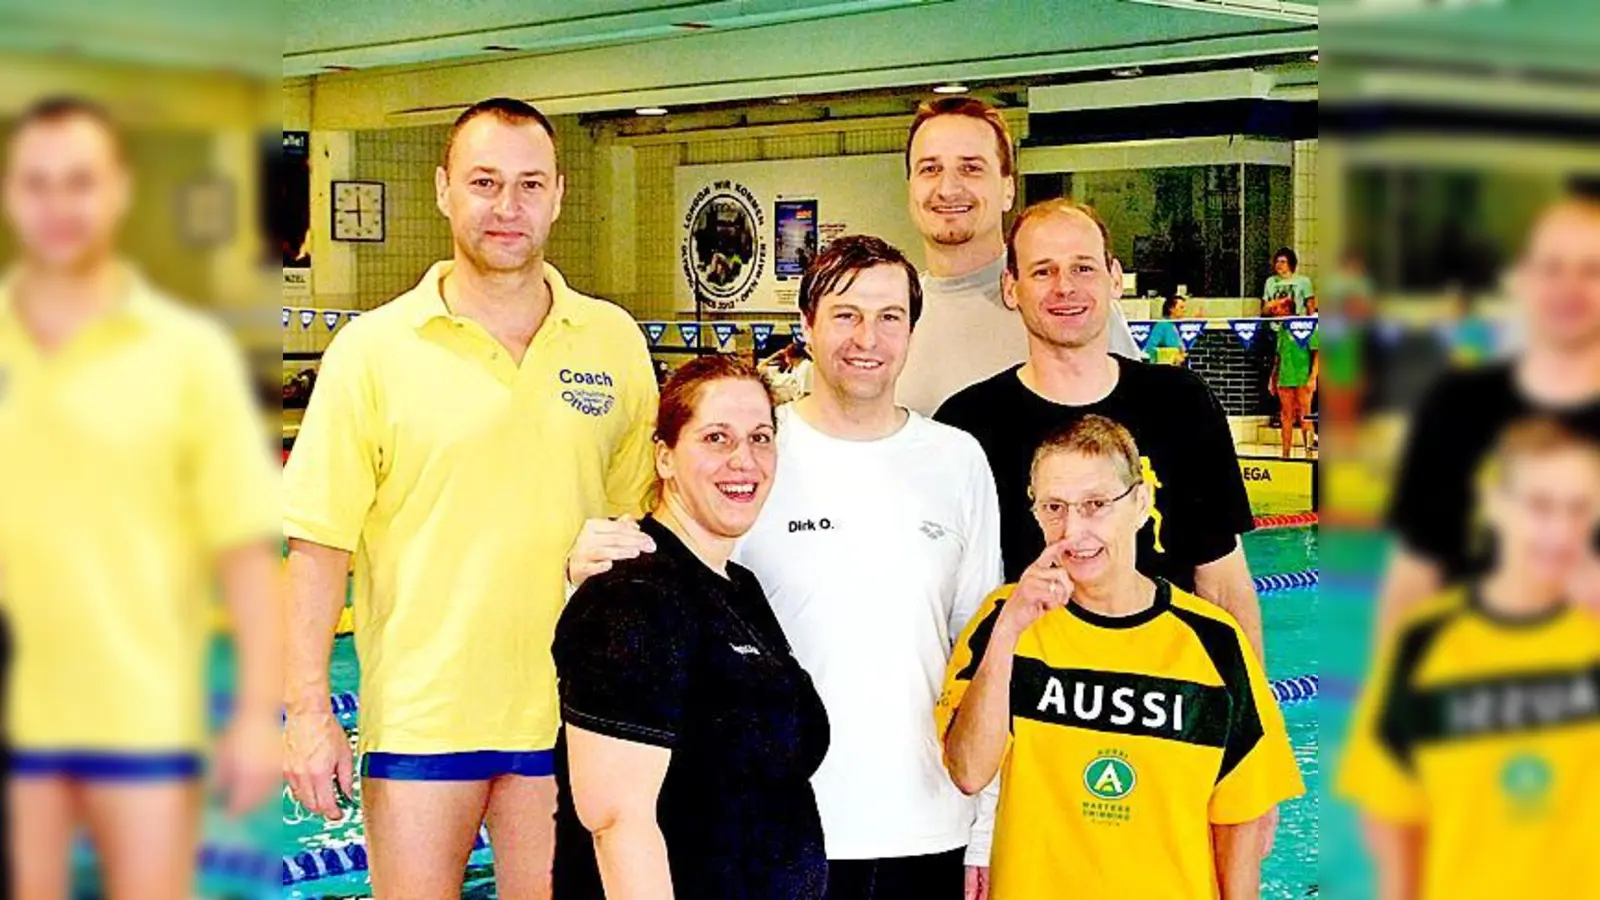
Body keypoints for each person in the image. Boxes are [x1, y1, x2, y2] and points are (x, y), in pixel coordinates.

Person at [282, 98, 658, 898]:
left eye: (529, 184)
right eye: (485, 182)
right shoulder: (373, 352)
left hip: (571, 715)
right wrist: (310, 714)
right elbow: (317, 545)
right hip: (425, 715)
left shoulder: (614, 342)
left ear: (559, 194)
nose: (507, 207)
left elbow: (642, 538)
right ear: (444, 189)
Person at [568, 235, 1005, 900]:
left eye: (890, 316)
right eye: (845, 313)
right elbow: (658, 588)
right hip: (769, 835)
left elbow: (980, 656)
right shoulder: (753, 456)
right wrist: (581, 568)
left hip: (927, 824)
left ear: (913, 329)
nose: (868, 337)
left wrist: (983, 829)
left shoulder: (957, 461)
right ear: (805, 325)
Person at [0, 97, 281, 899]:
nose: (59, 205)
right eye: (37, 183)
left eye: (80, 182)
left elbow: (245, 549)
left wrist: (259, 716)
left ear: (119, 191)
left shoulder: (185, 355)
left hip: (142, 704)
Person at [937, 415, 1302, 899]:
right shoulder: (1005, 621)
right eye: (1054, 507)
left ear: (1141, 503)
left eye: (1095, 505)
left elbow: (1239, 812)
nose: (1074, 530)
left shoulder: (1212, 643)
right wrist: (1011, 627)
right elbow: (967, 771)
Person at [934, 198, 1265, 659]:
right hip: (1029, 713)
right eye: (1043, 271)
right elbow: (949, 608)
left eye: (1083, 268)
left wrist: (1252, 718)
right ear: (1012, 288)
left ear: (1114, 278)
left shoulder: (1182, 403)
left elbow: (1223, 583)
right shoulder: (966, 426)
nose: (1064, 287)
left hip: (1163, 706)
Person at [552, 354, 830, 899]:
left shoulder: (737, 588)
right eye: (716, 439)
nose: (744, 461)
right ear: (665, 457)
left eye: (760, 438)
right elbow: (617, 821)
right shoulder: (633, 597)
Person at [1338, 418, 1600, 900]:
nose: (1560, 530)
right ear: (1496, 505)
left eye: (1579, 508)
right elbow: (1393, 815)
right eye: (1540, 506)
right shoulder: (1427, 643)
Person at [1379, 196, 1600, 633]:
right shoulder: (1457, 406)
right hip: (1474, 684)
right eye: (1552, 268)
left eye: (1591, 270)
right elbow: (1415, 574)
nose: (1569, 287)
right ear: (1521, 281)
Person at [896, 96, 1140, 416]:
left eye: (971, 168)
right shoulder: (887, 318)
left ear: (1008, 189)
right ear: (911, 187)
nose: (947, 188)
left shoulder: (1068, 306)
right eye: (930, 169)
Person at [1144, 295, 1187, 366]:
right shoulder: (1162, 325)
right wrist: (1172, 355)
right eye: (1181, 307)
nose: (1184, 310)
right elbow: (1149, 349)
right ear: (1171, 309)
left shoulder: (1173, 325)